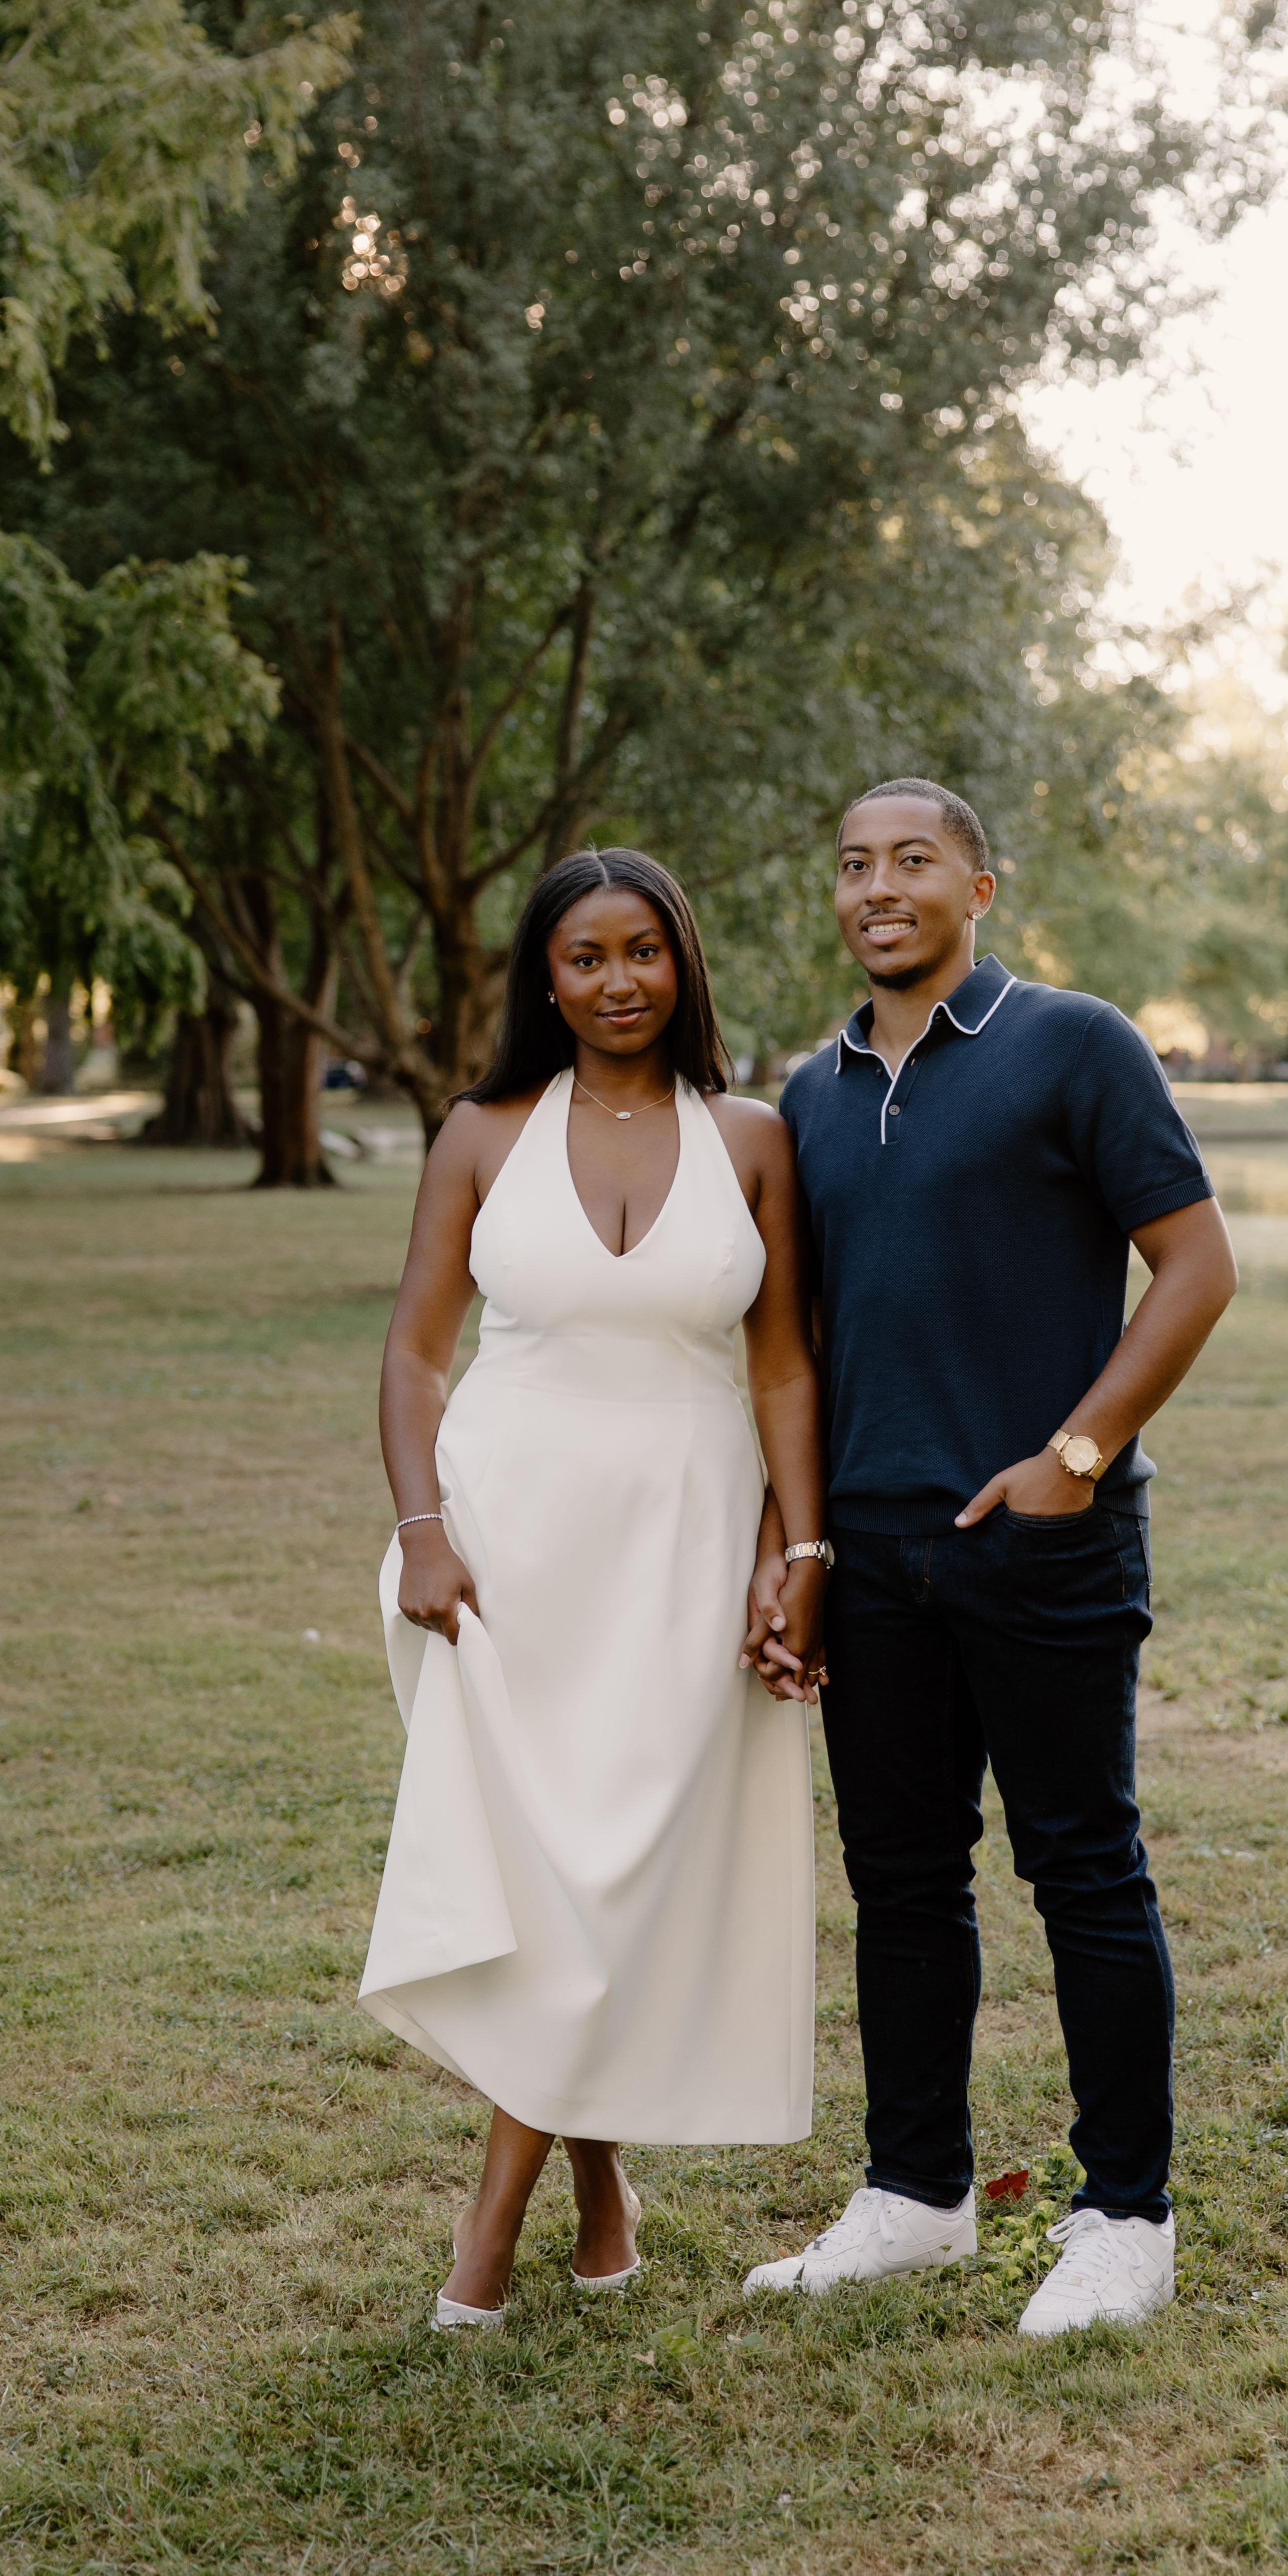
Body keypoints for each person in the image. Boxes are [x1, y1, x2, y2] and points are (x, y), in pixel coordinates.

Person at [741, 779, 1238, 2336]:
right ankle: (916, 2196)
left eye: (914, 859)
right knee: (899, 1881)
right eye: (853, 865)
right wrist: (796, 1544)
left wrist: (1072, 1462)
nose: (878, 887)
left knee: (1082, 1867)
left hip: (1043, 1545)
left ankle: (1126, 2220)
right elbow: (796, 1343)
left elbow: (1197, 1265)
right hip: (872, 1551)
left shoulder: (1073, 1044)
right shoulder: (809, 1095)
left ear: (979, 889)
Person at [362, 846, 831, 2330]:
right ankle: (565, 2198)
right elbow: (416, 1353)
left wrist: (801, 1551)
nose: (619, 980)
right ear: (545, 980)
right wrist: (423, 1528)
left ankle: (514, 2211)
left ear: (681, 964)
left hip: (687, 1541)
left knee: (623, 1864)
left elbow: (784, 1368)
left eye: (643, 951)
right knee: (546, 1872)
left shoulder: (753, 1140)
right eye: (586, 957)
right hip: (506, 1546)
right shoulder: (481, 1133)